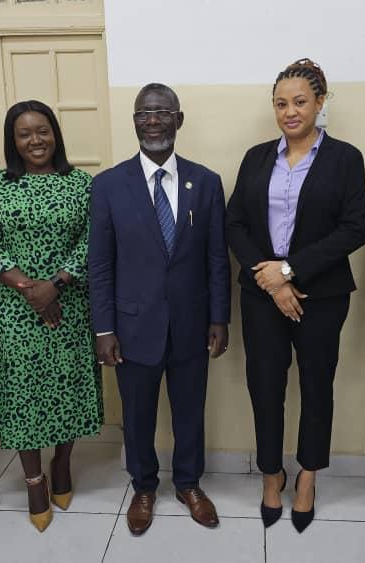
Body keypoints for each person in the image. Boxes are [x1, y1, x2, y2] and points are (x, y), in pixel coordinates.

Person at [225, 59, 365, 533]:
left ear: (320, 102)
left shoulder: (345, 158)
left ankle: (307, 476)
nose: (290, 112)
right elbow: (235, 223)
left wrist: (290, 270)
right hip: (261, 293)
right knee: (265, 387)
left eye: (300, 102)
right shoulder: (256, 157)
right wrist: (271, 279)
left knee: (316, 386)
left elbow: (354, 229)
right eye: (281, 103)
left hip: (322, 296)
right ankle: (272, 474)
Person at [88, 83, 230, 536]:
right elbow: (100, 264)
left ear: (178, 119)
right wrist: (103, 329)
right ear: (134, 121)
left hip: (191, 324)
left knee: (190, 412)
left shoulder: (205, 182)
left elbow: (216, 257)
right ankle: (144, 487)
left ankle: (188, 484)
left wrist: (219, 317)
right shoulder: (108, 185)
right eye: (144, 113)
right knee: (138, 416)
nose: (153, 121)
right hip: (132, 327)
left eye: (162, 112)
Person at [0, 100, 102, 532]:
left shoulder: (81, 184)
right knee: (23, 392)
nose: (35, 140)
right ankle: (33, 480)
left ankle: (62, 461)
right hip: (13, 310)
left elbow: (92, 240)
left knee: (67, 386)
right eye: (24, 133)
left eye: (42, 131)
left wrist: (56, 285)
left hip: (69, 305)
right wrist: (33, 290)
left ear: (55, 134)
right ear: (13, 141)